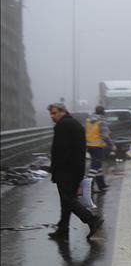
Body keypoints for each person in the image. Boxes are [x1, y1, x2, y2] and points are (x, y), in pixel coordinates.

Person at [46, 103, 104, 241]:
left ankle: (91, 220)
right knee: (67, 199)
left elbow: (60, 150)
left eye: (54, 113)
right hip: (75, 168)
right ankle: (63, 229)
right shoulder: (73, 123)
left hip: (66, 170)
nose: (52, 116)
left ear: (62, 112)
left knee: (68, 199)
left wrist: (54, 168)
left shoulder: (63, 126)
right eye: (51, 114)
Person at [85, 105, 113, 193]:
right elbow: (104, 135)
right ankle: (88, 186)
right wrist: (111, 143)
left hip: (89, 145)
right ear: (103, 112)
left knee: (98, 166)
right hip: (97, 146)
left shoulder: (88, 120)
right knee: (95, 166)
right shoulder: (101, 121)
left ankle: (101, 185)